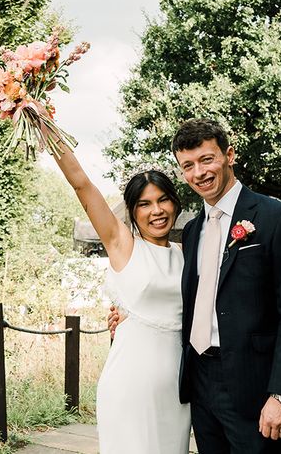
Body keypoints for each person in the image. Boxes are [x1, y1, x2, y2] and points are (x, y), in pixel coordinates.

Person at [110, 119, 281, 453]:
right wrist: (131, 317)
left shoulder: (277, 217)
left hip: (255, 386)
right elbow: (188, 302)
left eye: (207, 159)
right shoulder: (191, 232)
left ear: (229, 155)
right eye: (187, 165)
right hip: (200, 383)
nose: (199, 173)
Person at [49, 137, 191, 454]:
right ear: (132, 211)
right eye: (144, 203)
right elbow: (82, 186)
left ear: (175, 204)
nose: (156, 210)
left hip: (176, 392)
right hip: (130, 384)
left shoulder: (186, 256)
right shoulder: (122, 245)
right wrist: (45, 127)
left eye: (163, 200)